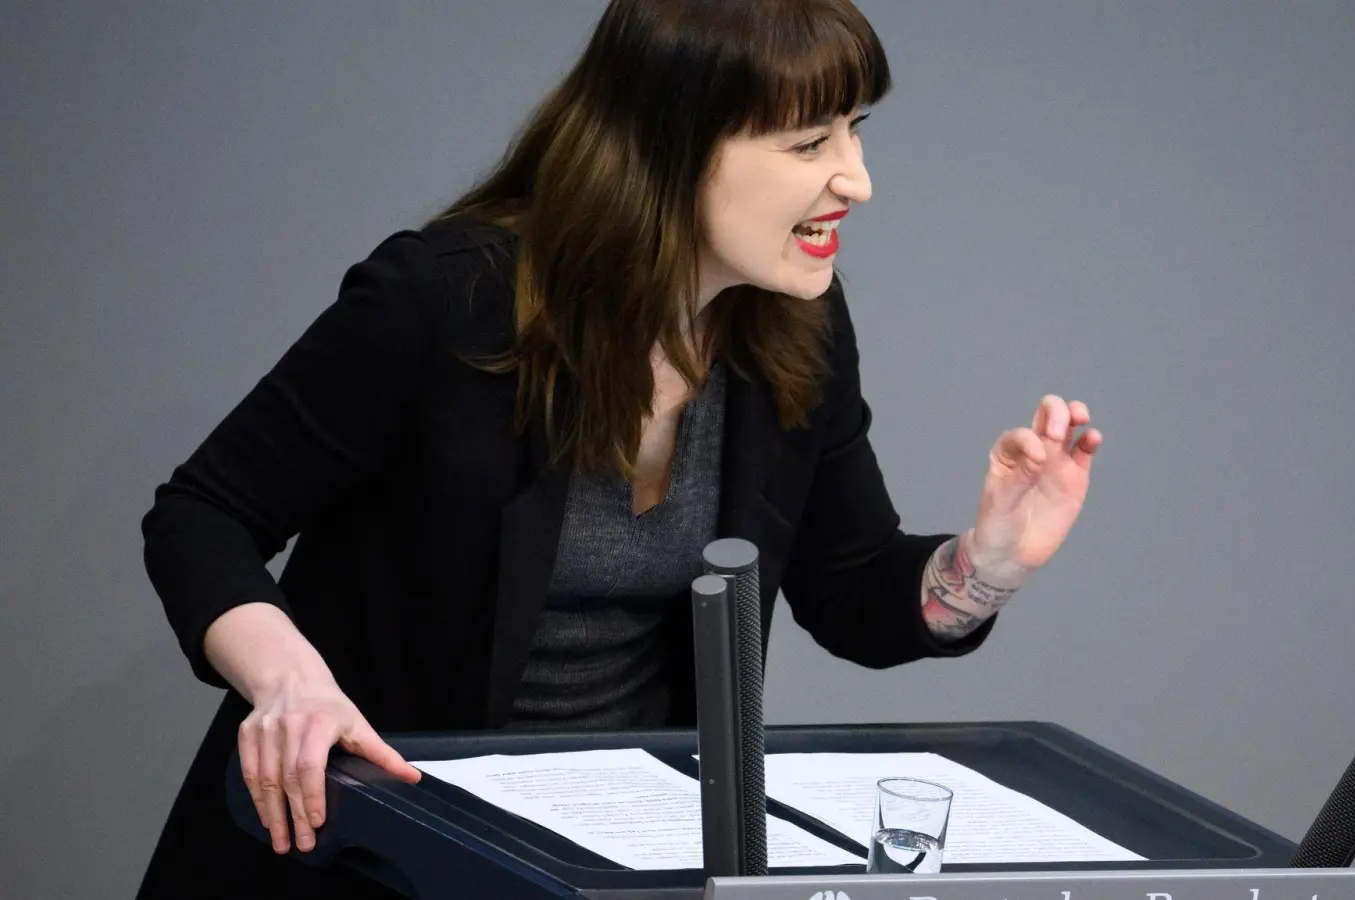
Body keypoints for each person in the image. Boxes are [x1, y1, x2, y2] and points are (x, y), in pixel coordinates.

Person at [136, 0, 1102, 897]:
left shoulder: (797, 324)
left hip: (606, 863)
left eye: (856, 132)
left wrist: (985, 566)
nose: (857, 177)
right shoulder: (442, 299)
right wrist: (289, 680)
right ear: (670, 148)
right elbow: (200, 516)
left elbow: (850, 588)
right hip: (366, 846)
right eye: (811, 140)